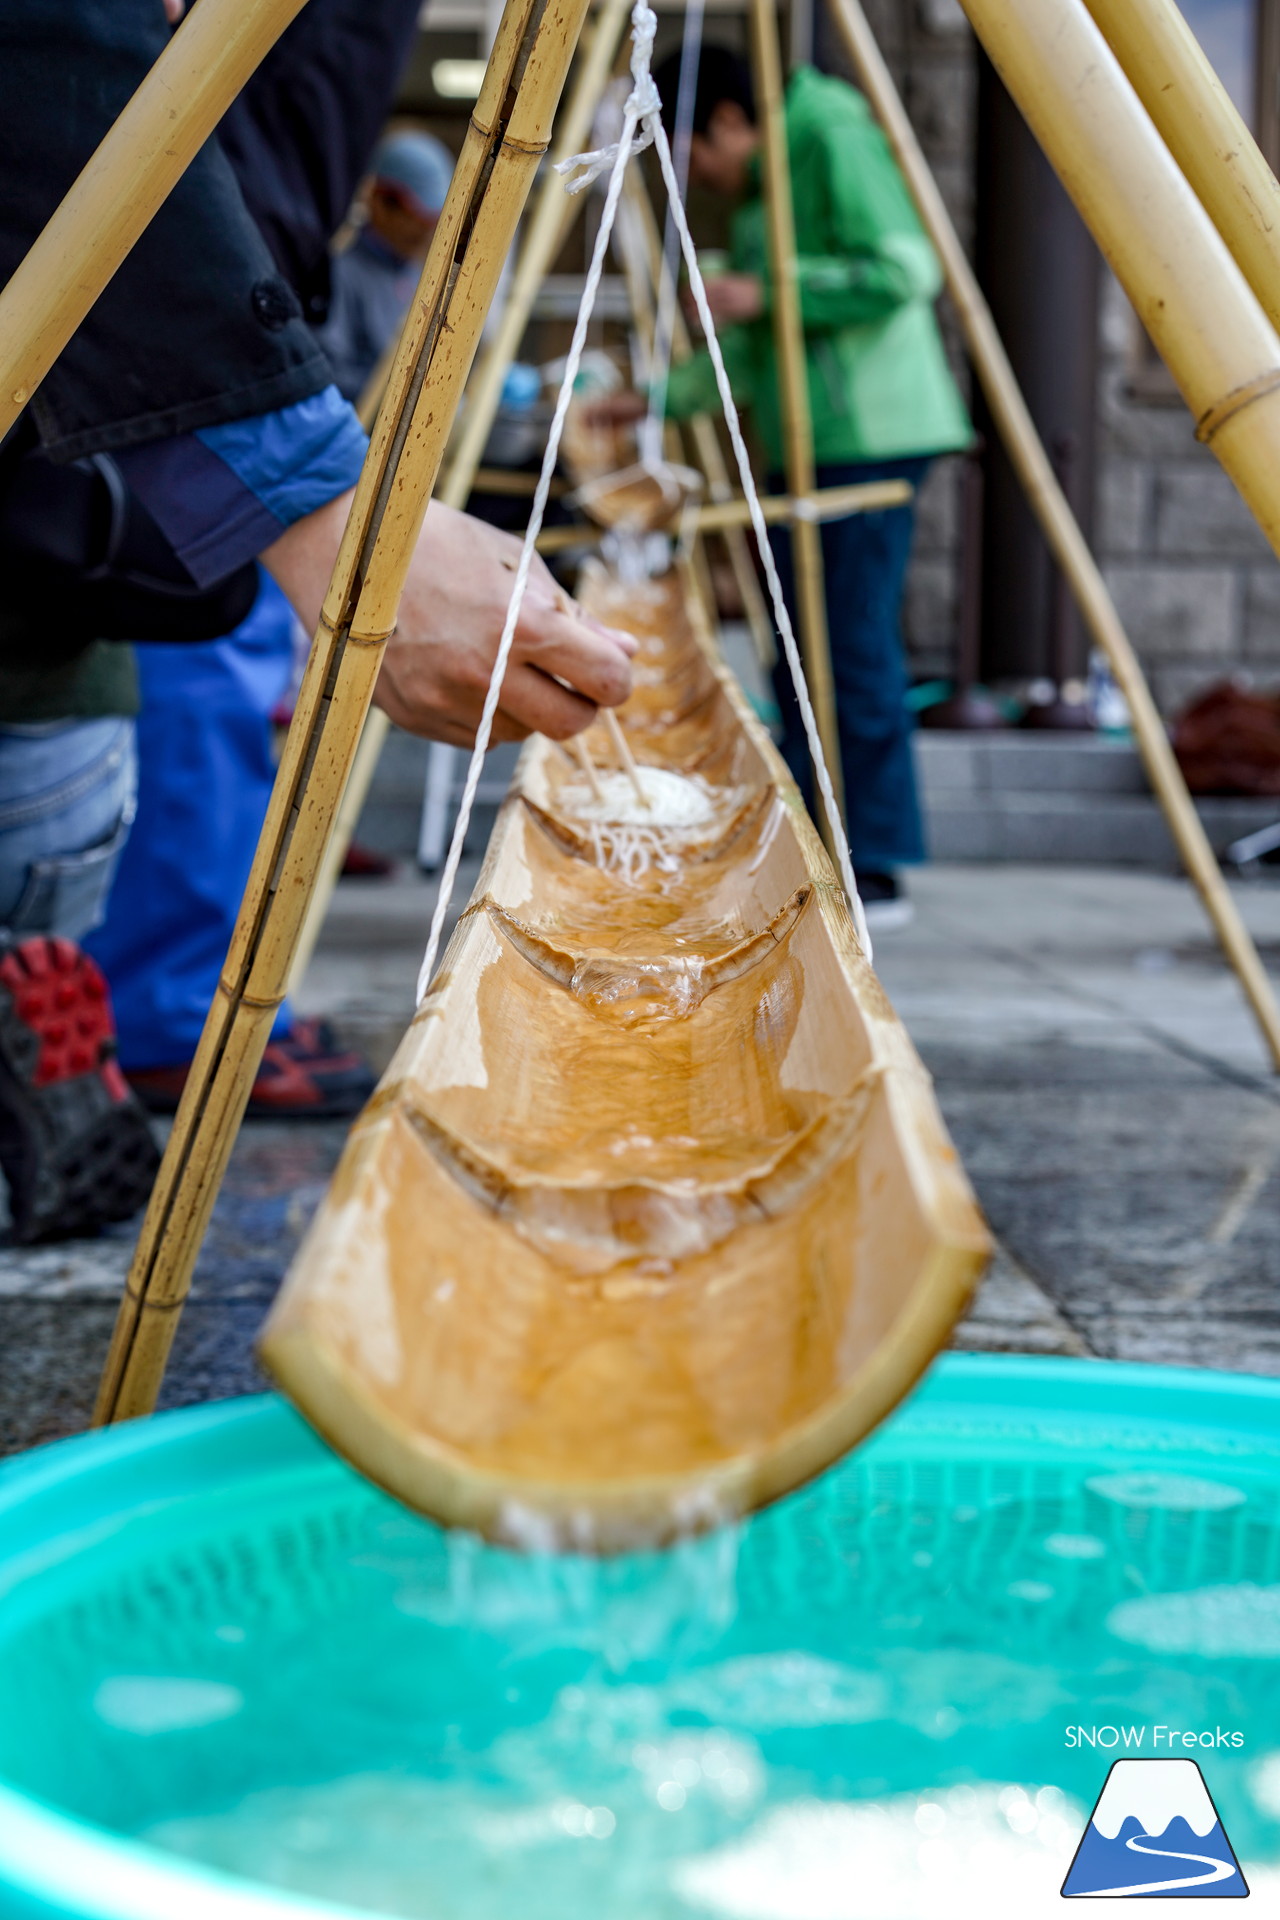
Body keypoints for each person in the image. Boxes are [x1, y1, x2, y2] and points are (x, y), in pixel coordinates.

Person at [0, 0, 634, 1237]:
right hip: (106, 536)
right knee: (205, 715)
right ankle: (168, 1011)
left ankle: (124, 1006)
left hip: (78, 577)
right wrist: (329, 514)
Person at [599, 47, 971, 926]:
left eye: (698, 152)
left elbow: (904, 273)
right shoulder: (761, 188)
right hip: (807, 443)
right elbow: (754, 351)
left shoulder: (830, 130)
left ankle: (872, 859)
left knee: (848, 637)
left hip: (872, 435)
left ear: (731, 119)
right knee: (794, 641)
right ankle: (812, 828)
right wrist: (655, 400)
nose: (699, 175)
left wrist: (763, 288)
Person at [317, 130, 455, 404]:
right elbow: (329, 377)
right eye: (419, 216)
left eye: (435, 220)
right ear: (378, 202)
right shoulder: (339, 274)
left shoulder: (423, 275)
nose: (427, 230)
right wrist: (407, 390)